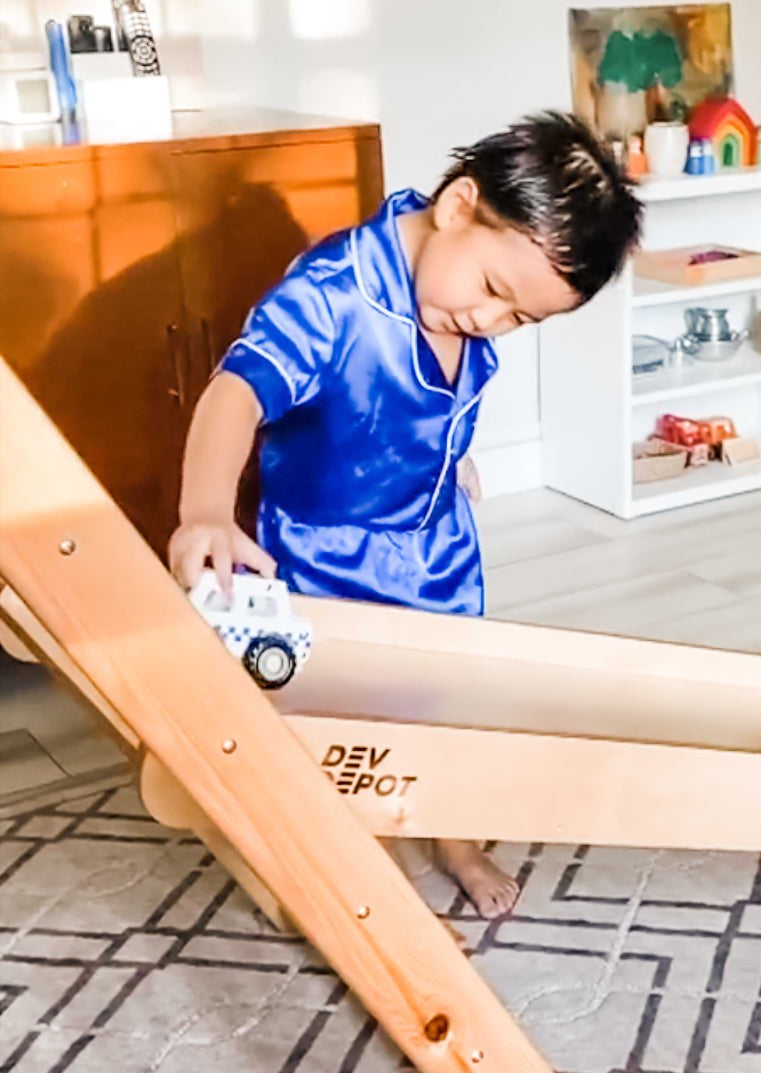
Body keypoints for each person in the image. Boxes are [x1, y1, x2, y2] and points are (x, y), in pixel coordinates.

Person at [168, 112, 643, 918]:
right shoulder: (331, 295)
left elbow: (435, 393)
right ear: (459, 206)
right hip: (326, 562)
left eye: (521, 320)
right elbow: (235, 393)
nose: (493, 321)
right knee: (331, 725)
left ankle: (452, 834)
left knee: (448, 701)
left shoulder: (455, 295)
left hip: (437, 550)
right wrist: (206, 510)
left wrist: (448, 452)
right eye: (495, 292)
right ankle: (332, 857)